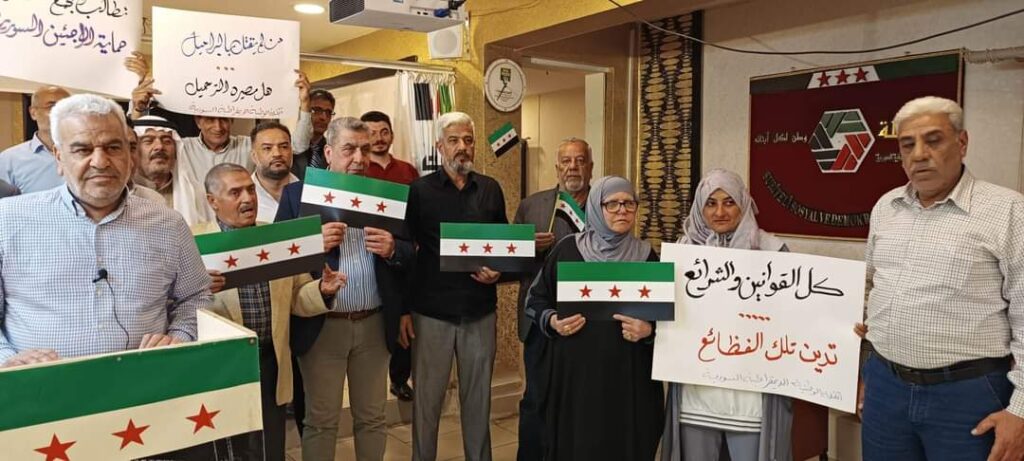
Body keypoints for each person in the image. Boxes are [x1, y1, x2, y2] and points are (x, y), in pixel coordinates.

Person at [860, 96, 1024, 460]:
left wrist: (1021, 411)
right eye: (907, 145)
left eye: (933, 140)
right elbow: (869, 287)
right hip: (885, 387)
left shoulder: (1007, 210)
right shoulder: (886, 207)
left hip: (969, 396)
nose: (919, 154)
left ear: (962, 143)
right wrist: (859, 365)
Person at [0, 93, 210, 367]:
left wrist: (179, 336)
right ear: (59, 157)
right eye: (82, 150)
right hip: (38, 388)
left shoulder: (168, 224)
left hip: (147, 383)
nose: (100, 161)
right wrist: (8, 360)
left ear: (130, 154)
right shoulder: (8, 221)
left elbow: (196, 296)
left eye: (113, 147)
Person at [276, 117, 414, 461]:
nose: (358, 158)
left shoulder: (384, 196)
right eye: (349, 149)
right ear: (328, 152)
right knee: (321, 421)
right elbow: (278, 261)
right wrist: (311, 243)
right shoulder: (297, 195)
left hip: (374, 324)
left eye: (364, 150)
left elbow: (411, 252)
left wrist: (394, 249)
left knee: (373, 417)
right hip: (322, 325)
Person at [195, 163, 345, 461]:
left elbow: (296, 298)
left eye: (250, 189)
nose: (247, 198)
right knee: (231, 446)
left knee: (271, 445)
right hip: (222, 367)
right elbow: (171, 305)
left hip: (271, 360)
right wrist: (196, 288)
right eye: (235, 192)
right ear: (212, 201)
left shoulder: (276, 237)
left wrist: (322, 290)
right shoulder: (193, 243)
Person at [525, 175, 663, 460]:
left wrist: (649, 330)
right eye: (612, 204)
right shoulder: (567, 250)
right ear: (596, 208)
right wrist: (553, 321)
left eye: (629, 203)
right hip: (577, 379)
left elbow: (666, 322)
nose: (622, 210)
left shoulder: (647, 256)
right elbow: (535, 300)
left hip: (629, 379)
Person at [660, 168, 793, 461]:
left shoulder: (772, 251)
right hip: (697, 392)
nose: (720, 212)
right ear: (699, 206)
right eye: (711, 203)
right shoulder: (683, 252)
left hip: (751, 396)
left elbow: (794, 317)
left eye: (729, 202)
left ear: (743, 204)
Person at [405, 111, 508, 461]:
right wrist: (403, 310)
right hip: (431, 313)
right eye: (453, 140)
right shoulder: (419, 191)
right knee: (427, 402)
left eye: (468, 140)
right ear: (439, 146)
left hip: (479, 312)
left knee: (478, 401)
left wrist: (498, 271)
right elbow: (406, 251)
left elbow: (504, 247)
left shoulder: (490, 189)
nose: (462, 147)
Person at [126, 54, 314, 225]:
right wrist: (138, 106)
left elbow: (298, 145)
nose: (218, 126)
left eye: (223, 119)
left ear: (232, 120)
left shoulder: (248, 146)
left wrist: (305, 105)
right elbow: (142, 143)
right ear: (198, 121)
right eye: (210, 119)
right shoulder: (182, 148)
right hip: (198, 225)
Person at [512, 137, 593, 460]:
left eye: (580, 160)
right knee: (536, 399)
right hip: (541, 322)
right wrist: (528, 247)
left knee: (581, 402)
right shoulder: (531, 206)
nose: (573, 167)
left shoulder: (606, 205)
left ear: (590, 166)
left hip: (588, 321)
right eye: (566, 161)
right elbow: (510, 260)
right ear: (557, 167)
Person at [360, 109, 419, 403]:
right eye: (371, 133)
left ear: (392, 135)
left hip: (403, 250)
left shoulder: (408, 171)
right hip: (368, 252)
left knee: (405, 318)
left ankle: (399, 378)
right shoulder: (358, 171)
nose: (379, 138)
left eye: (384, 132)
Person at [0, 86, 71, 193]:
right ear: (33, 113)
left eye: (66, 108)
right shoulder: (9, 160)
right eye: (52, 106)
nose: (60, 113)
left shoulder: (89, 154)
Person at [250, 122, 300, 223]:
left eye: (284, 147)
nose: (277, 154)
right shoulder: (243, 198)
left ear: (291, 152)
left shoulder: (307, 192)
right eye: (267, 148)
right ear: (254, 156)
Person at [132, 115, 180, 208]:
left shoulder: (193, 193)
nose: (160, 147)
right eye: (148, 141)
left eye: (167, 141)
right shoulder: (120, 193)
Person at [292, 89, 335, 179]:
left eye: (328, 113)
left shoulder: (334, 150)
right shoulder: (289, 146)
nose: (323, 117)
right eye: (317, 110)